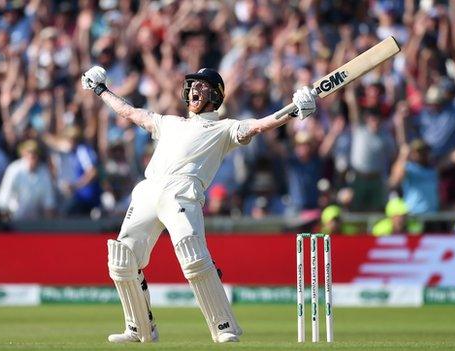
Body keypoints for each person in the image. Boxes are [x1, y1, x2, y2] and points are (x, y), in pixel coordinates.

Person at [81, 66, 317, 343]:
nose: (195, 89)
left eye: (203, 86)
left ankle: (224, 327)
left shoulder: (223, 128)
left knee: (193, 257)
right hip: (148, 189)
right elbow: (131, 112)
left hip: (183, 192)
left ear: (216, 96)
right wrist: (101, 90)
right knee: (122, 260)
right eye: (193, 84)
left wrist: (293, 110)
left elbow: (259, 124)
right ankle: (139, 330)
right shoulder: (168, 123)